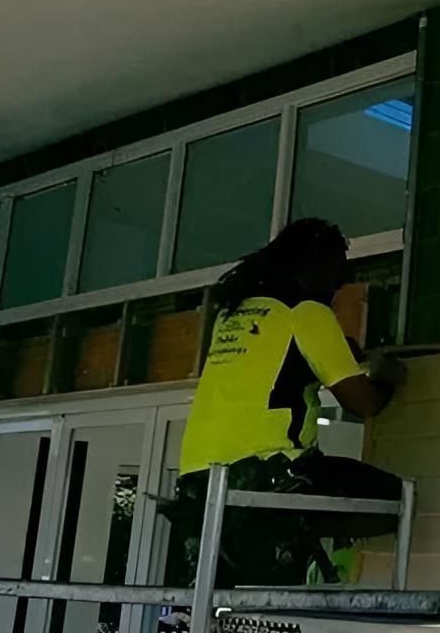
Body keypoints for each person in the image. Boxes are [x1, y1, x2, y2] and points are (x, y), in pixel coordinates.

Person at [167, 218, 408, 589]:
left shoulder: (233, 313)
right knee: (395, 500)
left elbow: (272, 368)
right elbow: (364, 404)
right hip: (270, 473)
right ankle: (303, 549)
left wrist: (338, 353)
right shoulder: (307, 313)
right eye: (335, 276)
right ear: (316, 267)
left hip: (201, 479)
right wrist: (389, 377)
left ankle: (293, 544)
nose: (336, 287)